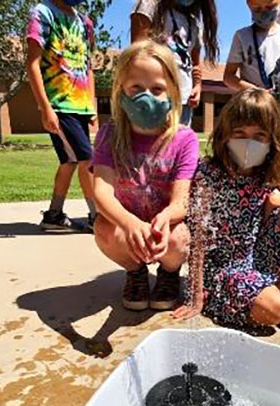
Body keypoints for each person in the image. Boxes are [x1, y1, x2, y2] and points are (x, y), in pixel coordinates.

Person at [174, 88, 280, 329]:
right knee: (273, 311)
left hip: (258, 257)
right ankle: (253, 296)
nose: (248, 142)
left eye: (259, 136)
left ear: (272, 140)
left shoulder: (270, 175)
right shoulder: (207, 174)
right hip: (223, 268)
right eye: (240, 133)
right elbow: (198, 235)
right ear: (225, 134)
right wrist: (195, 292)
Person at [92, 40, 199, 311]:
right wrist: (129, 224)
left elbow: (181, 202)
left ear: (173, 92)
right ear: (121, 91)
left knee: (178, 239)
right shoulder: (109, 134)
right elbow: (101, 192)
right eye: (136, 88)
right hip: (127, 225)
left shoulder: (184, 139)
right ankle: (136, 271)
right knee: (104, 230)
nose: (146, 96)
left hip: (165, 227)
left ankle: (168, 274)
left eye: (157, 89)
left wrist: (164, 219)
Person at [27, 0, 97, 232]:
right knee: (88, 160)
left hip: (80, 105)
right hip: (59, 104)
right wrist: (45, 107)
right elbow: (33, 64)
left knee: (70, 160)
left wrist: (91, 105)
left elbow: (88, 67)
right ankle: (97, 216)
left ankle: (54, 214)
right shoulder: (43, 13)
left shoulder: (84, 22)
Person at [131, 0, 219, 126]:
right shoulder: (149, 6)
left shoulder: (194, 23)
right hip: (154, 98)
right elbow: (137, 54)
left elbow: (195, 64)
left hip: (184, 100)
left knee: (179, 144)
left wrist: (197, 87)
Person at [224, 0, 280, 121]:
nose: (264, 13)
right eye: (257, 9)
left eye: (270, 7)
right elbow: (228, 77)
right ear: (248, 5)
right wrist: (257, 91)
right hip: (253, 109)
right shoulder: (242, 36)